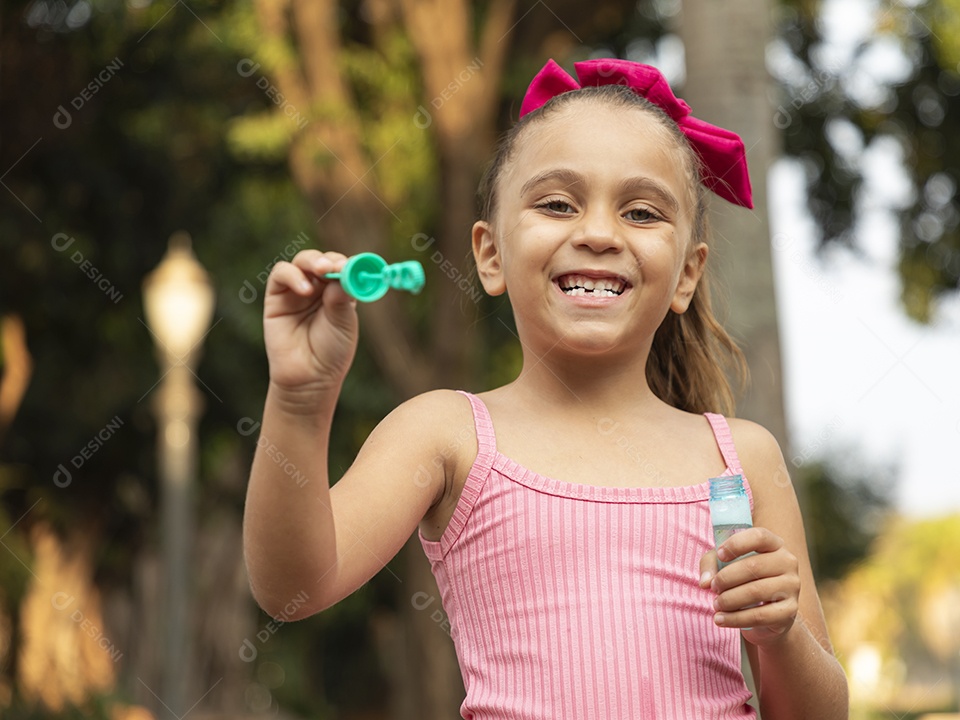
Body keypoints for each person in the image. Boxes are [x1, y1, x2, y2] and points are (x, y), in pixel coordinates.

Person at [244, 58, 849, 719]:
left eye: (642, 211)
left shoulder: (743, 459)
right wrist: (301, 398)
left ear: (686, 275)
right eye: (557, 203)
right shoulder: (448, 435)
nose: (596, 233)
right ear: (490, 254)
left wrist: (779, 631)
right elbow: (292, 591)